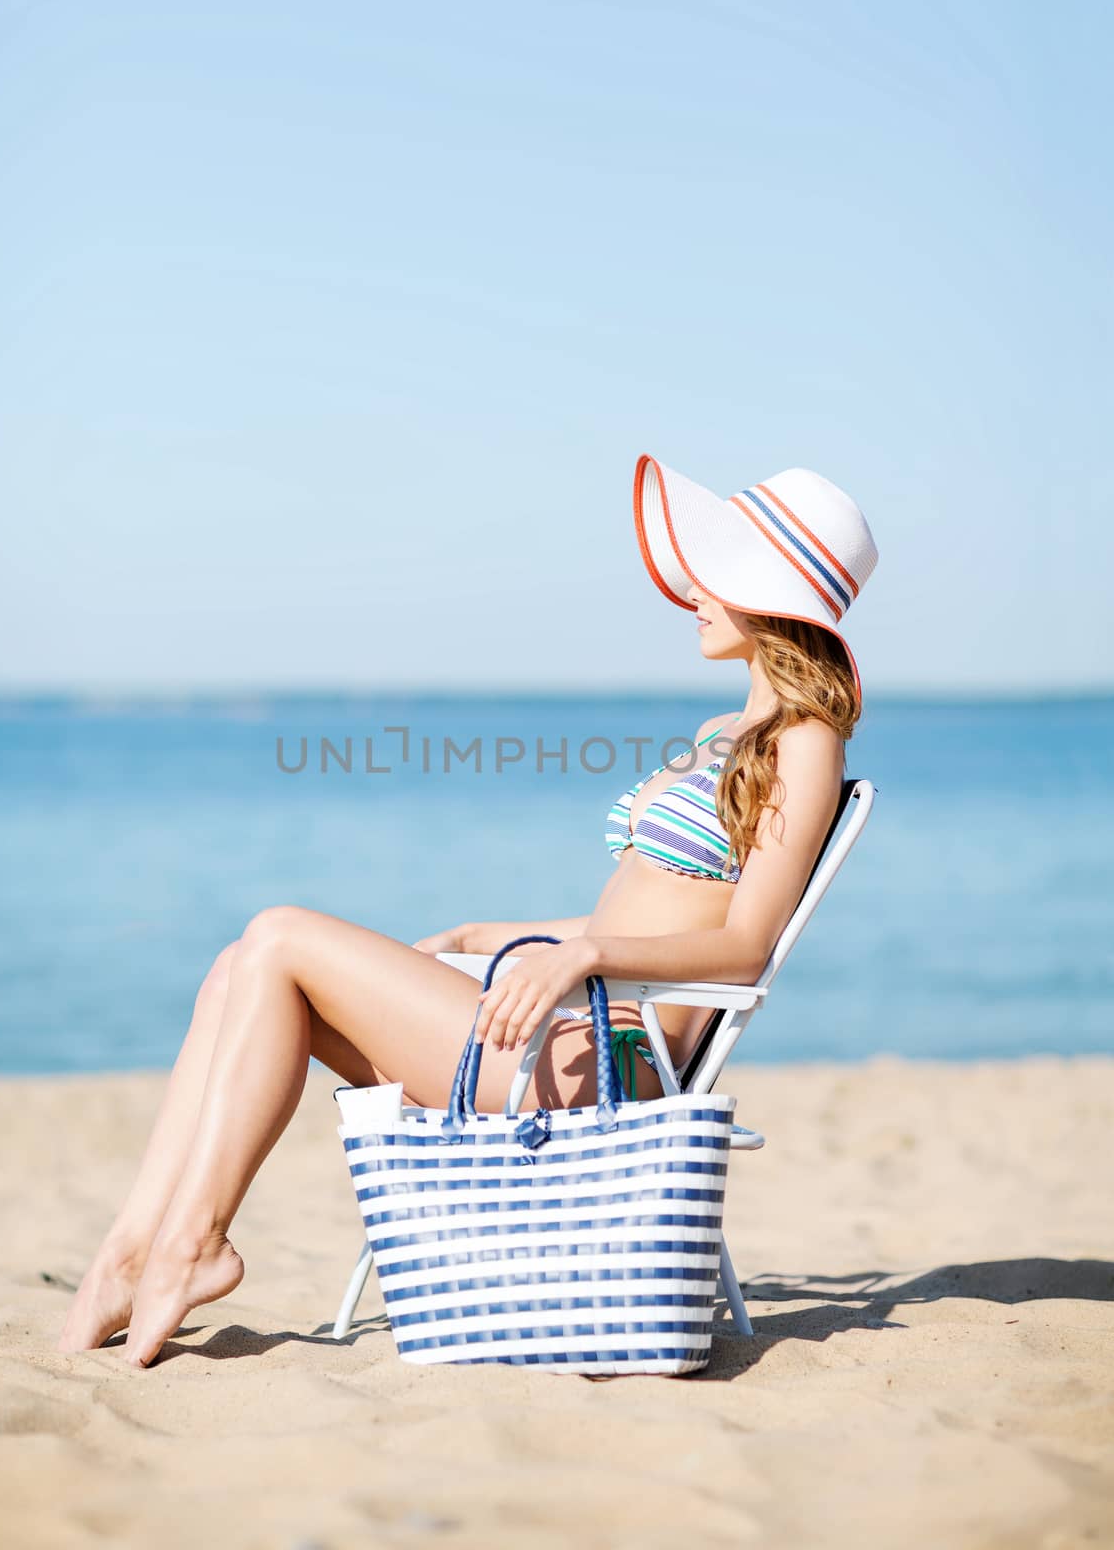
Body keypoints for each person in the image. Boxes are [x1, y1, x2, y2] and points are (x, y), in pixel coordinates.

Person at [58, 452, 879, 1366]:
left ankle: (193, 1243)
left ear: (767, 597)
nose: (691, 591)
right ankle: (133, 1249)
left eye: (714, 575)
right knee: (236, 969)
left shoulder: (804, 744)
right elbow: (658, 910)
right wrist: (490, 936)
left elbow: (741, 945)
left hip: (609, 1063)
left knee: (281, 935)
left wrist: (583, 959)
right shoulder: (717, 736)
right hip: (564, 1033)